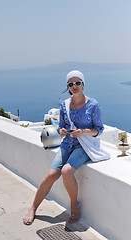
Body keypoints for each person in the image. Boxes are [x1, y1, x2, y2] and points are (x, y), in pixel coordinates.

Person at [23, 70, 104, 225]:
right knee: (51, 175)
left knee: (67, 171)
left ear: (83, 84)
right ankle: (33, 208)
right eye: (71, 84)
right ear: (68, 86)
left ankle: (74, 206)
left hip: (84, 146)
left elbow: (99, 129)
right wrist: (61, 131)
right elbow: (62, 126)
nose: (75, 86)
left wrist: (83, 132)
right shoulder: (64, 105)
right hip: (67, 144)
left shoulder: (93, 105)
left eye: (77, 83)